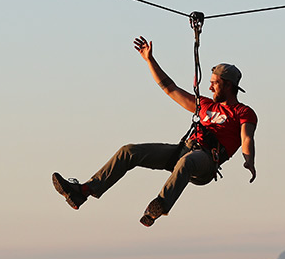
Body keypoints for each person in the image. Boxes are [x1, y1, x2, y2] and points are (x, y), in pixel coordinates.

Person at [52, 36, 257, 226]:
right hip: (183, 150)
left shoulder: (243, 112)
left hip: (205, 162)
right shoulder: (203, 104)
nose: (210, 88)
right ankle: (84, 191)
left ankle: (160, 205)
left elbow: (246, 137)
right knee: (129, 151)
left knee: (188, 162)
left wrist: (249, 160)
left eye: (215, 83)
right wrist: (150, 60)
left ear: (228, 85)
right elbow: (170, 88)